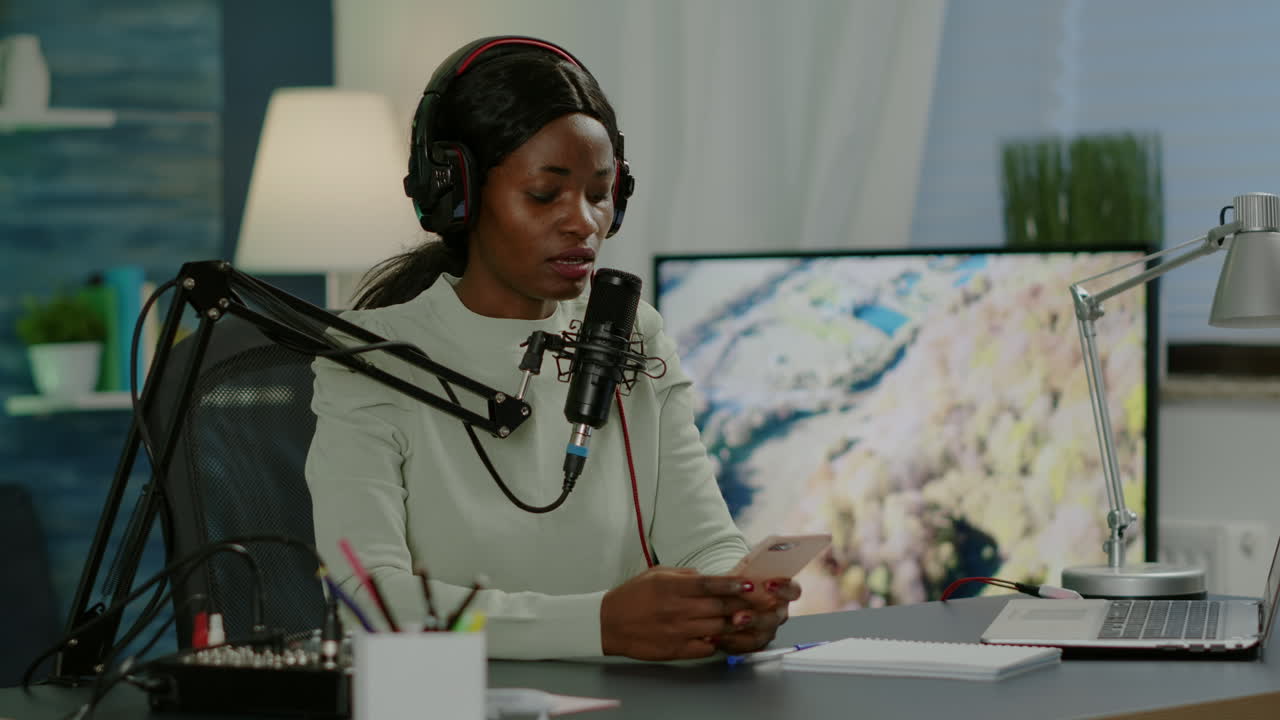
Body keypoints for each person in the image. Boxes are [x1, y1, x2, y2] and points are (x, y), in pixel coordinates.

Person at [304, 35, 802, 661]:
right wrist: (597, 626)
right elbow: (367, 601)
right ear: (459, 194)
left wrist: (734, 599)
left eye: (599, 194)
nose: (584, 222)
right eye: (545, 194)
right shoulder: (370, 359)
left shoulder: (633, 333)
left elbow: (705, 542)